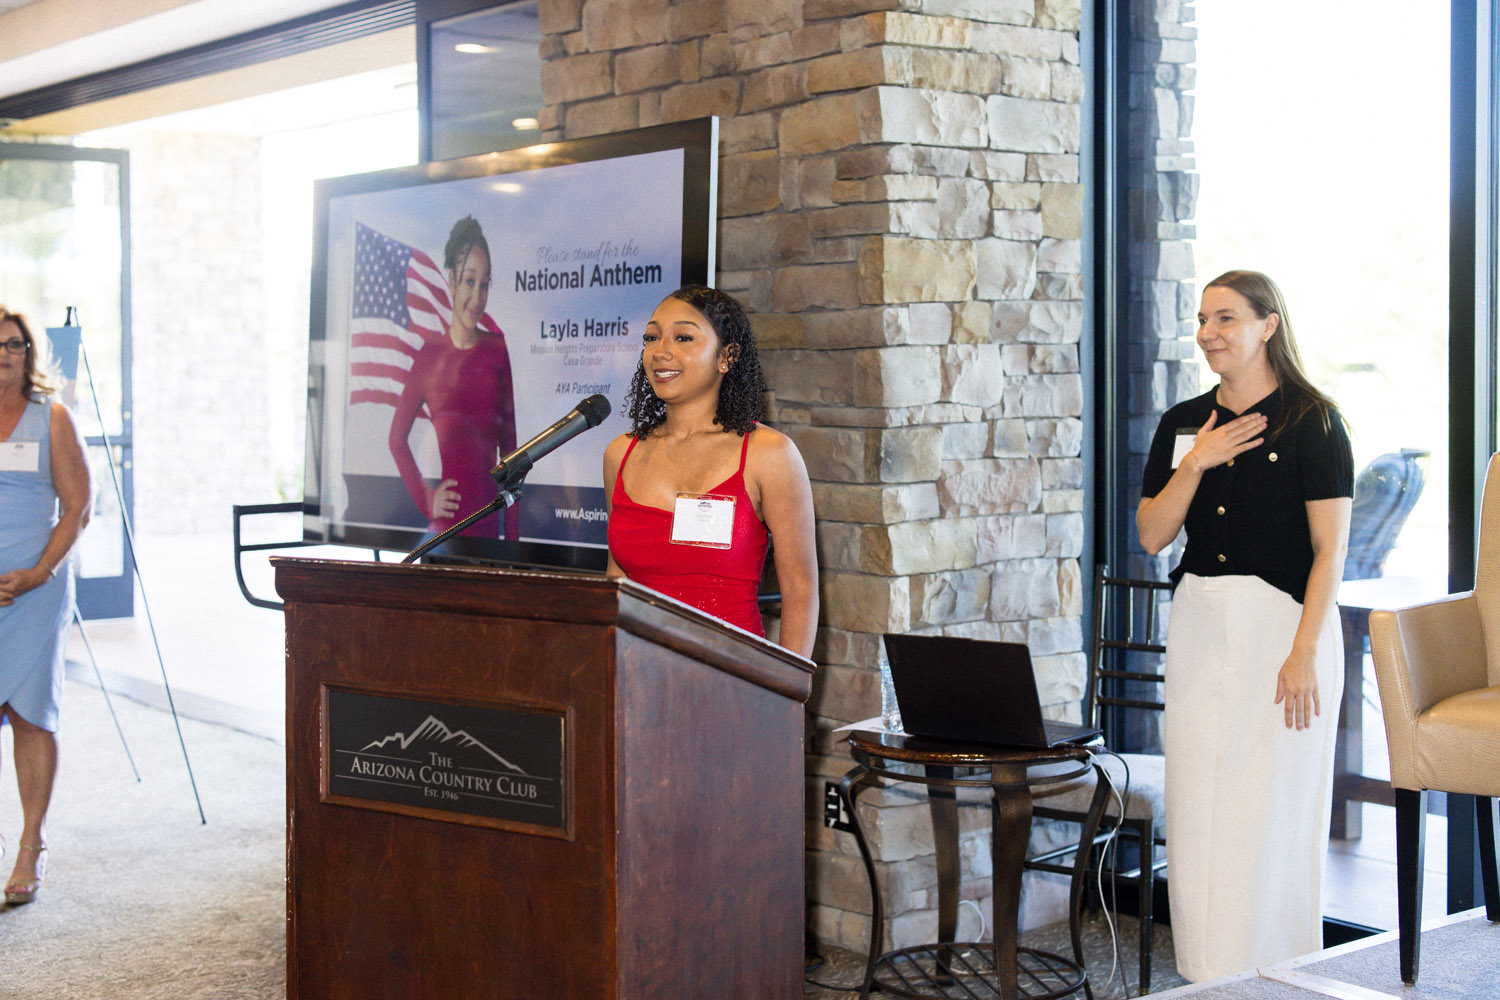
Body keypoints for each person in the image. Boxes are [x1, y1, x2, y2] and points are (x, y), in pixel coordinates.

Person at [1137, 270, 1353, 980]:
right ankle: (1206, 973)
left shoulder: (1314, 422)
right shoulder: (1182, 424)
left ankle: (1278, 972)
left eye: (1225, 318)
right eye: (1203, 319)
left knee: (1267, 803)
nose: (1208, 333)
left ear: (1268, 325)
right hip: (1201, 625)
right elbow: (1152, 534)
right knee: (1199, 798)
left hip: (1284, 630)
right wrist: (1197, 463)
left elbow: (1330, 551)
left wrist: (1304, 652)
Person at [603, 285, 818, 658]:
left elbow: (800, 591)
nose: (660, 351)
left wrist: (786, 689)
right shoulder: (620, 453)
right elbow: (616, 580)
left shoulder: (768, 454)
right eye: (651, 337)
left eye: (683, 337)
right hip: (636, 674)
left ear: (726, 357)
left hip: (732, 675)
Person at [0, 306, 92, 905]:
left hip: (35, 589)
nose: (5, 355)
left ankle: (30, 845)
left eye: (14, 344)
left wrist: (38, 573)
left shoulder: (52, 417)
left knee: (32, 715)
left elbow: (78, 507)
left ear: (29, 352)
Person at [389, 215, 519, 540]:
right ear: (452, 280)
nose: (477, 297)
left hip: (491, 532)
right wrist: (427, 499)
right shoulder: (429, 357)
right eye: (469, 281)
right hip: (445, 536)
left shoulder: (497, 349)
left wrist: (514, 544)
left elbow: (512, 454)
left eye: (484, 284)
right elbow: (396, 439)